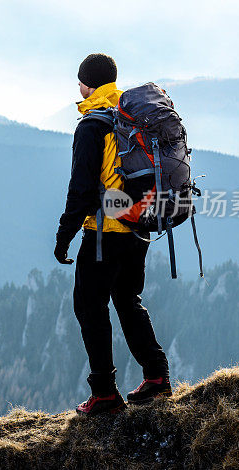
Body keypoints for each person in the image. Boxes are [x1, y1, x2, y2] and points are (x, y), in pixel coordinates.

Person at [54, 53, 171, 416]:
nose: (78, 88)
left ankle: (104, 393)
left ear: (87, 83)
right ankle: (157, 377)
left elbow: (83, 189)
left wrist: (64, 234)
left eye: (79, 82)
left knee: (89, 306)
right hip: (139, 226)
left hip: (105, 231)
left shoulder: (92, 125)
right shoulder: (128, 114)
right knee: (127, 299)